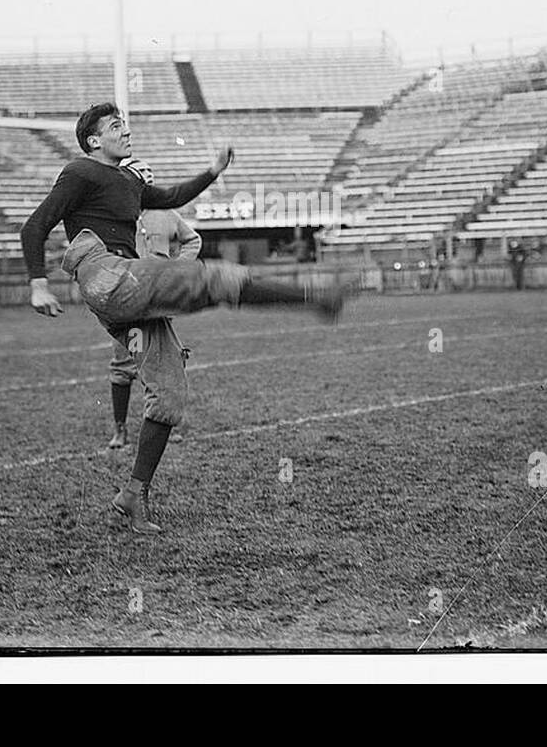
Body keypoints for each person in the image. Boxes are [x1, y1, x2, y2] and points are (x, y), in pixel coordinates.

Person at [21, 102, 344, 534]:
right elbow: (35, 225)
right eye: (116, 126)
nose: (126, 130)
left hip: (126, 288)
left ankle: (133, 495)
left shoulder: (128, 182)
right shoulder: (81, 171)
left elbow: (172, 197)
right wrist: (37, 283)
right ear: (94, 141)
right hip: (109, 274)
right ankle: (315, 298)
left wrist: (213, 171)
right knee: (214, 279)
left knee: (169, 393)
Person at [106, 158, 202, 451]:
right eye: (141, 173)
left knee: (167, 358)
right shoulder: (116, 213)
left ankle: (164, 424)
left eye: (151, 173)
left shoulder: (167, 212)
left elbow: (192, 240)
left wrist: (176, 268)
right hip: (128, 299)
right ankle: (120, 429)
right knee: (125, 362)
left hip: (159, 298)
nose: (147, 178)